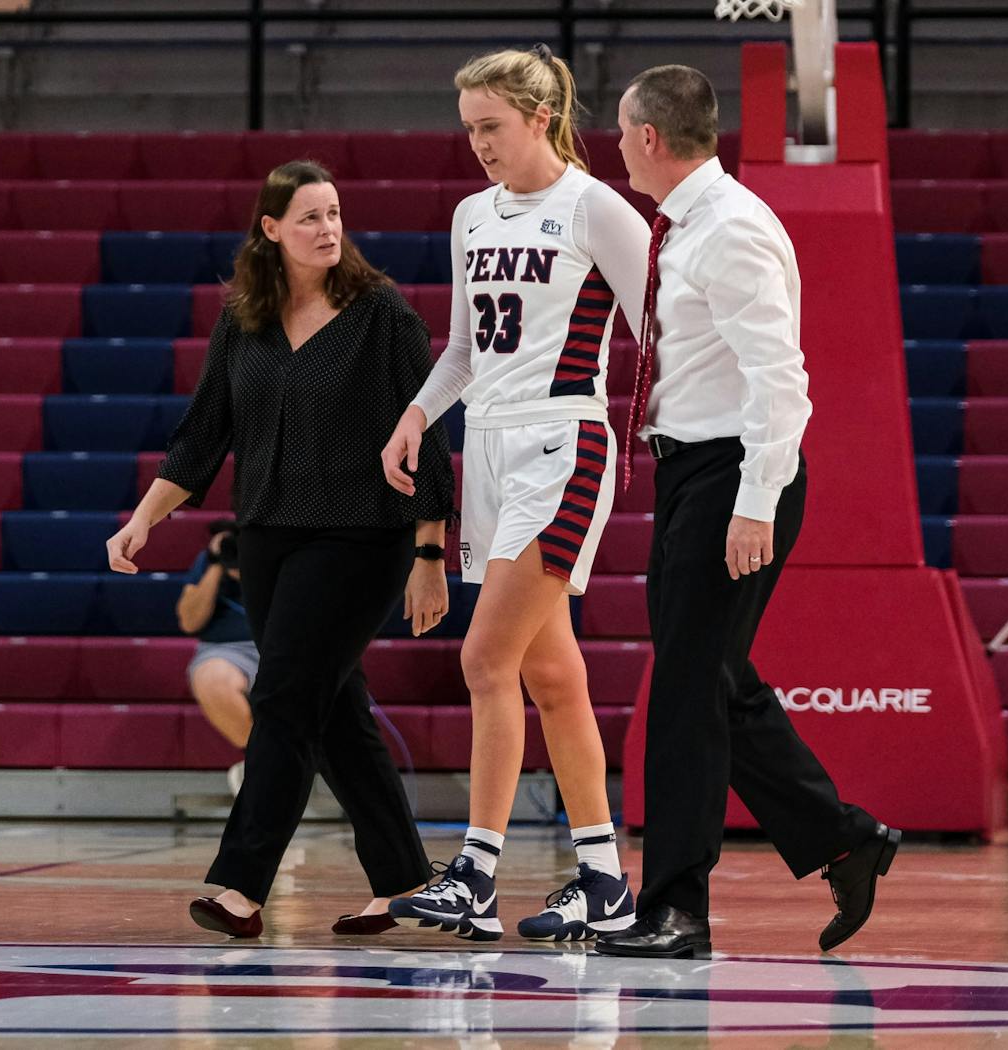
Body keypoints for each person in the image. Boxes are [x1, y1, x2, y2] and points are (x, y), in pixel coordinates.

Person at [105, 160, 456, 939]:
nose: (328, 229)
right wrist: (143, 520)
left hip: (365, 535)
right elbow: (203, 434)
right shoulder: (245, 317)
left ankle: (240, 883)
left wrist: (431, 554)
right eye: (309, 218)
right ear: (271, 231)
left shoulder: (383, 315)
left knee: (286, 696)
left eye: (334, 213)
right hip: (268, 533)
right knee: (333, 710)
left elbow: (428, 436)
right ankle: (403, 881)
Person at [594, 65, 900, 960]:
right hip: (693, 469)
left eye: (621, 131)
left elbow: (782, 380)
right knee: (713, 679)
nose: (617, 146)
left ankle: (677, 908)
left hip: (734, 472)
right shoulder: (685, 228)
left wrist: (754, 502)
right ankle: (842, 837)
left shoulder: (730, 229)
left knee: (688, 692)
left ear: (651, 137)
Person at [380, 45, 651, 943]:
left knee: (484, 661)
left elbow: (666, 317)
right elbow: (461, 349)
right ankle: (606, 883)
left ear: (542, 117)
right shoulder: (469, 215)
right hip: (486, 445)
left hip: (563, 442)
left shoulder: (595, 207)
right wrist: (417, 416)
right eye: (468, 131)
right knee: (549, 672)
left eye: (491, 127)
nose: (479, 146)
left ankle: (475, 873)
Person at [177, 519, 255, 796]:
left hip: (289, 644)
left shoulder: (292, 548)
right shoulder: (214, 560)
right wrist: (216, 563)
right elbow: (189, 622)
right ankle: (261, 762)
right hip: (228, 648)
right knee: (213, 679)